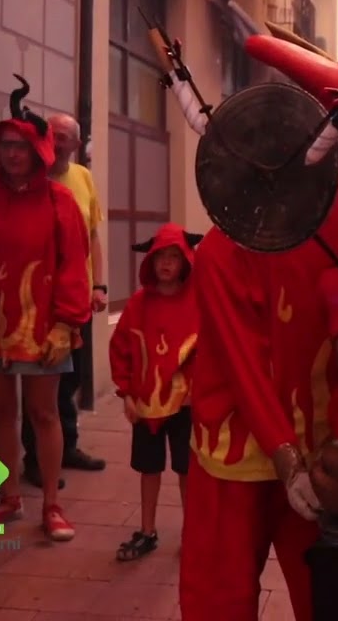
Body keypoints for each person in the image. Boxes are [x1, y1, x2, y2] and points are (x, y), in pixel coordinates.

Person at [0, 77, 91, 540]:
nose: (12, 154)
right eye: (6, 144)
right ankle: (9, 498)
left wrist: (66, 323)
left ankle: (51, 504)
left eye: (21, 145)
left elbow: (75, 264)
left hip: (45, 327)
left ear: (38, 150)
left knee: (45, 414)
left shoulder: (61, 201)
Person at [179, 226, 334, 621]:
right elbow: (240, 361)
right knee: (221, 598)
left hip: (314, 444)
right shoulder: (218, 250)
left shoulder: (329, 235)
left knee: (327, 591)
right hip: (233, 451)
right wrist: (285, 455)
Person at [19, 113, 107, 489]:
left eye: (65, 136)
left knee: (71, 377)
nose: (58, 142)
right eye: (53, 135)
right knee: (40, 380)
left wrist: (99, 285)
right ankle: (35, 459)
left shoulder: (83, 178)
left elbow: (93, 237)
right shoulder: (30, 179)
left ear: (75, 142)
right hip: (39, 301)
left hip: (78, 297)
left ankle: (66, 446)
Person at [110, 223, 202, 562]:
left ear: (185, 262)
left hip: (185, 404)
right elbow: (120, 348)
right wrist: (126, 394)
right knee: (149, 469)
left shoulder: (198, 303)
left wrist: (197, 390)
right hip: (146, 402)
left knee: (186, 471)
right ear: (150, 261)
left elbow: (208, 352)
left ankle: (192, 534)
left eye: (174, 257)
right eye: (160, 257)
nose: (166, 264)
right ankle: (147, 531)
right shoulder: (138, 305)